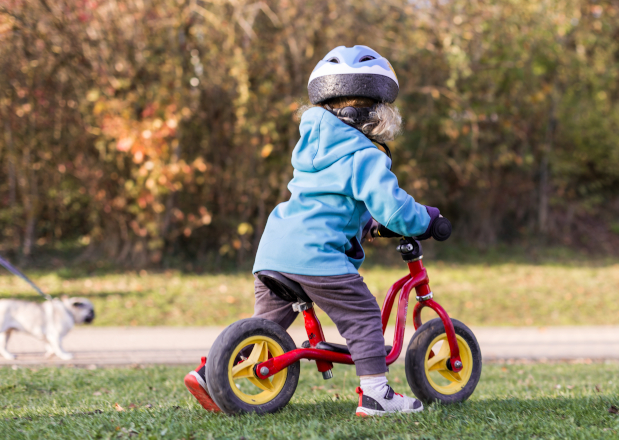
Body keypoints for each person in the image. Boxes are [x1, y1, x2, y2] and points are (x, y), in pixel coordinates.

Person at [185, 45, 442, 416]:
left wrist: (364, 224)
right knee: (363, 314)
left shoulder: (310, 148)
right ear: (374, 113)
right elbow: (395, 209)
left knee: (266, 328)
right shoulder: (364, 154)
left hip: (275, 250)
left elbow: (328, 201)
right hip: (317, 256)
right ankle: (376, 394)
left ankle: (212, 372)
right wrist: (428, 220)